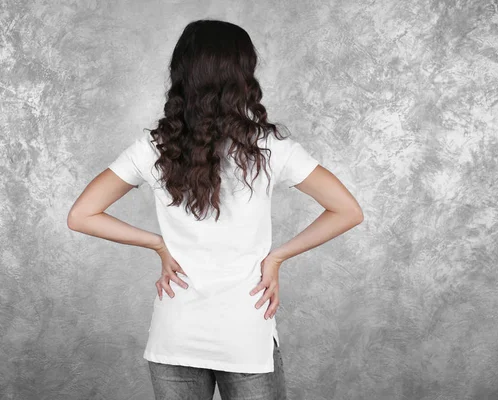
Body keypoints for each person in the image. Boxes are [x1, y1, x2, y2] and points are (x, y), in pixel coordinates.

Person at [67, 18, 363, 400]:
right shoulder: (270, 149)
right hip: (245, 330)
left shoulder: (154, 148)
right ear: (242, 78)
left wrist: (157, 244)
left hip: (175, 331)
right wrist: (277, 258)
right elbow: (348, 211)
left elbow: (81, 215)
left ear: (181, 75)